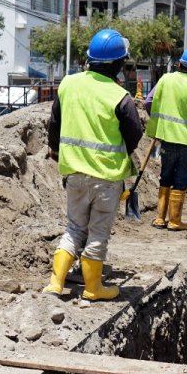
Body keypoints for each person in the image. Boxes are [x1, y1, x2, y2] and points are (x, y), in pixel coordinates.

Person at [44, 28, 143, 301]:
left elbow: (54, 123)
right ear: (118, 64)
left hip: (74, 172)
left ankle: (55, 282)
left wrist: (55, 149)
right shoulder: (119, 96)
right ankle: (92, 288)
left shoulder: (68, 84)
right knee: (98, 232)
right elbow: (134, 133)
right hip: (106, 178)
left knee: (74, 228)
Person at [145, 46, 187, 230]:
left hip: (167, 138)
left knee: (165, 176)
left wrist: (158, 118)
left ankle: (160, 218)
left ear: (180, 64)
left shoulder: (165, 79)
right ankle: (175, 221)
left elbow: (148, 102)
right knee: (181, 178)